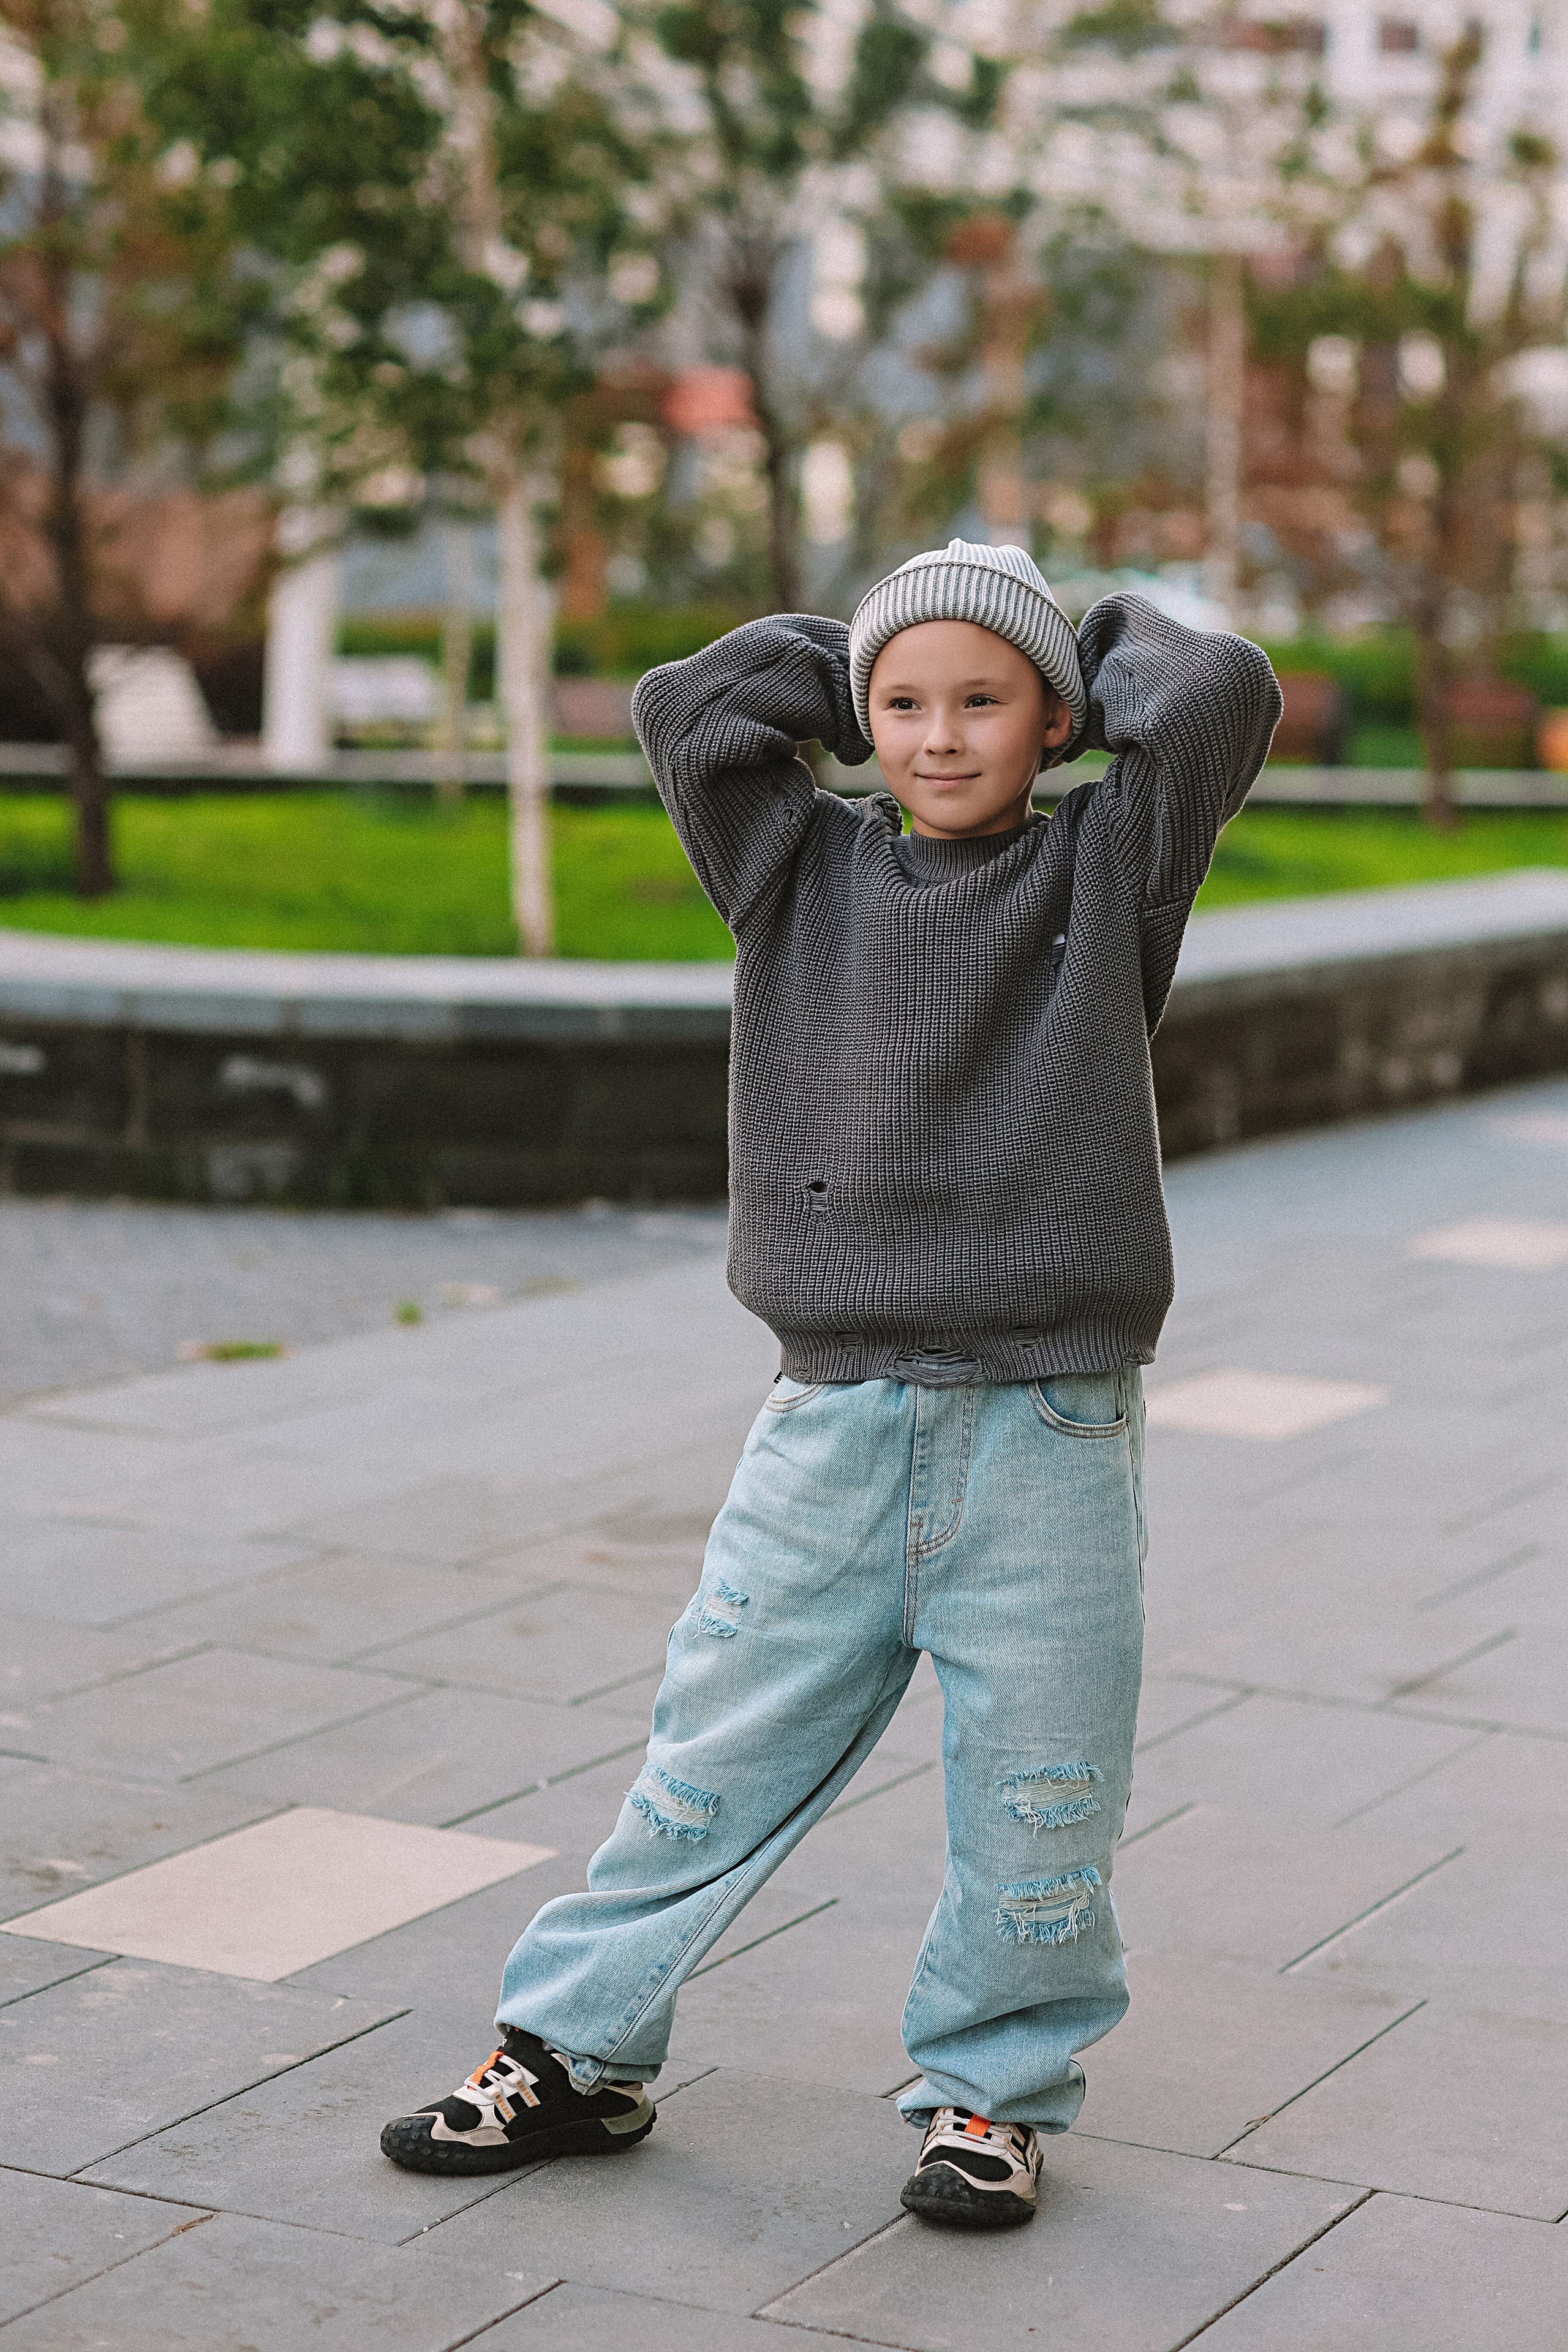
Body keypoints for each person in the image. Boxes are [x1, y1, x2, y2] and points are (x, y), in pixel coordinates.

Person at [381, 540, 1281, 2230]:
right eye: (903, 704)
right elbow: (691, 712)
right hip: (833, 1421)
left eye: (984, 701)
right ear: (861, 719)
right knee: (707, 1761)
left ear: (1057, 719)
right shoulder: (794, 866)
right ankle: (573, 2054)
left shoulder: (1109, 870)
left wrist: (1059, 634)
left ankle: (992, 2100)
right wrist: (874, 638)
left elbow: (1217, 690)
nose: (940, 736)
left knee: (1042, 1797)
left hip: (1050, 1425)